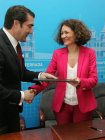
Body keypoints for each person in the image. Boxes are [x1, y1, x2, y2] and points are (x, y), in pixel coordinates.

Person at [0, 5, 56, 135]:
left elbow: (20, 72)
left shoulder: (15, 44)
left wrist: (41, 76)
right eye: (29, 26)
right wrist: (23, 95)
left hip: (11, 115)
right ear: (16, 23)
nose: (31, 31)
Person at [29, 19, 98, 125]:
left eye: (66, 32)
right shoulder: (57, 54)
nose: (63, 36)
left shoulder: (90, 53)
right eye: (61, 33)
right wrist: (34, 90)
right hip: (62, 106)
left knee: (82, 135)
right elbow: (47, 78)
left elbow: (93, 80)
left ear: (77, 33)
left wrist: (80, 82)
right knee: (63, 135)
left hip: (83, 105)